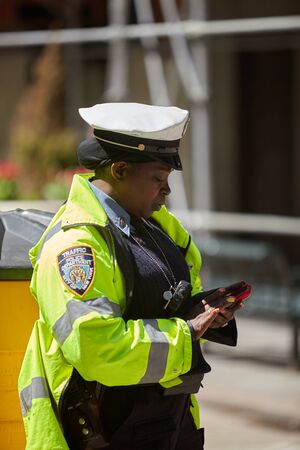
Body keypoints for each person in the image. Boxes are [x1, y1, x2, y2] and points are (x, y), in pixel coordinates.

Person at [18, 102, 249, 450]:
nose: (166, 191)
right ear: (121, 169)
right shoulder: (77, 246)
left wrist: (205, 310)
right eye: (158, 178)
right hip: (104, 430)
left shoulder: (158, 226)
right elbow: (98, 349)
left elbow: (176, 295)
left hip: (168, 420)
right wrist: (186, 331)